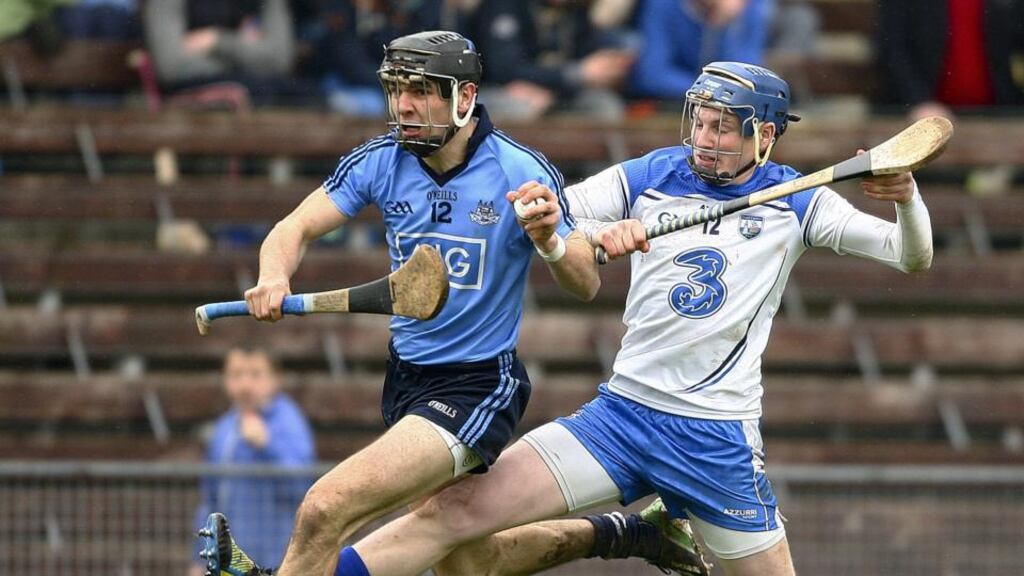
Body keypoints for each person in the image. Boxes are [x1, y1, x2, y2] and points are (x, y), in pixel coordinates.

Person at [303, 61, 935, 576]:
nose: (706, 140)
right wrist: (583, 233)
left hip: (713, 439)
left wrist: (908, 201)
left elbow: (910, 258)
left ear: (765, 137)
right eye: (702, 123)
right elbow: (554, 213)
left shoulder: (801, 202)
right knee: (450, 515)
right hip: (620, 418)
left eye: (725, 129)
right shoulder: (651, 174)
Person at [197, 30, 611, 576]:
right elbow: (292, 226)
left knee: (326, 507)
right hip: (406, 380)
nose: (403, 106)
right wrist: (272, 274)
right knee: (467, 561)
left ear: (464, 97)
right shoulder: (381, 161)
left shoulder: (519, 171)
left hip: (476, 385)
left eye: (421, 91)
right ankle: (628, 533)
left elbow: (586, 284)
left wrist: (550, 242)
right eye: (395, 90)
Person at [190, 346, 315, 576]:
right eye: (236, 375)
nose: (245, 385)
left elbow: (303, 487)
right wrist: (200, 558)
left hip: (279, 559)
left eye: (256, 375)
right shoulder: (224, 428)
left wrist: (268, 445)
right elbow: (210, 499)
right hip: (231, 562)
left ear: (275, 379)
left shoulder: (289, 422)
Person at [630, 0, 771, 100]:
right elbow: (652, 75)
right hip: (669, 102)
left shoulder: (748, 7)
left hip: (723, 106)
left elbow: (744, 80)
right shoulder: (663, 5)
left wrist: (726, 24)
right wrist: (709, 90)